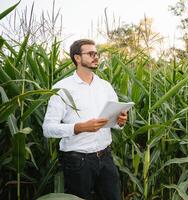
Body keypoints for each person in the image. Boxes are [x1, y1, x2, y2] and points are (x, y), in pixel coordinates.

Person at [42, 39, 127, 200]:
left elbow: (115, 121)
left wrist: (120, 122)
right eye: (90, 53)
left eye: (97, 53)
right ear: (77, 58)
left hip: (105, 157)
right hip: (77, 161)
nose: (96, 57)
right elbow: (48, 129)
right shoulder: (62, 88)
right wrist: (79, 127)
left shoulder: (105, 86)